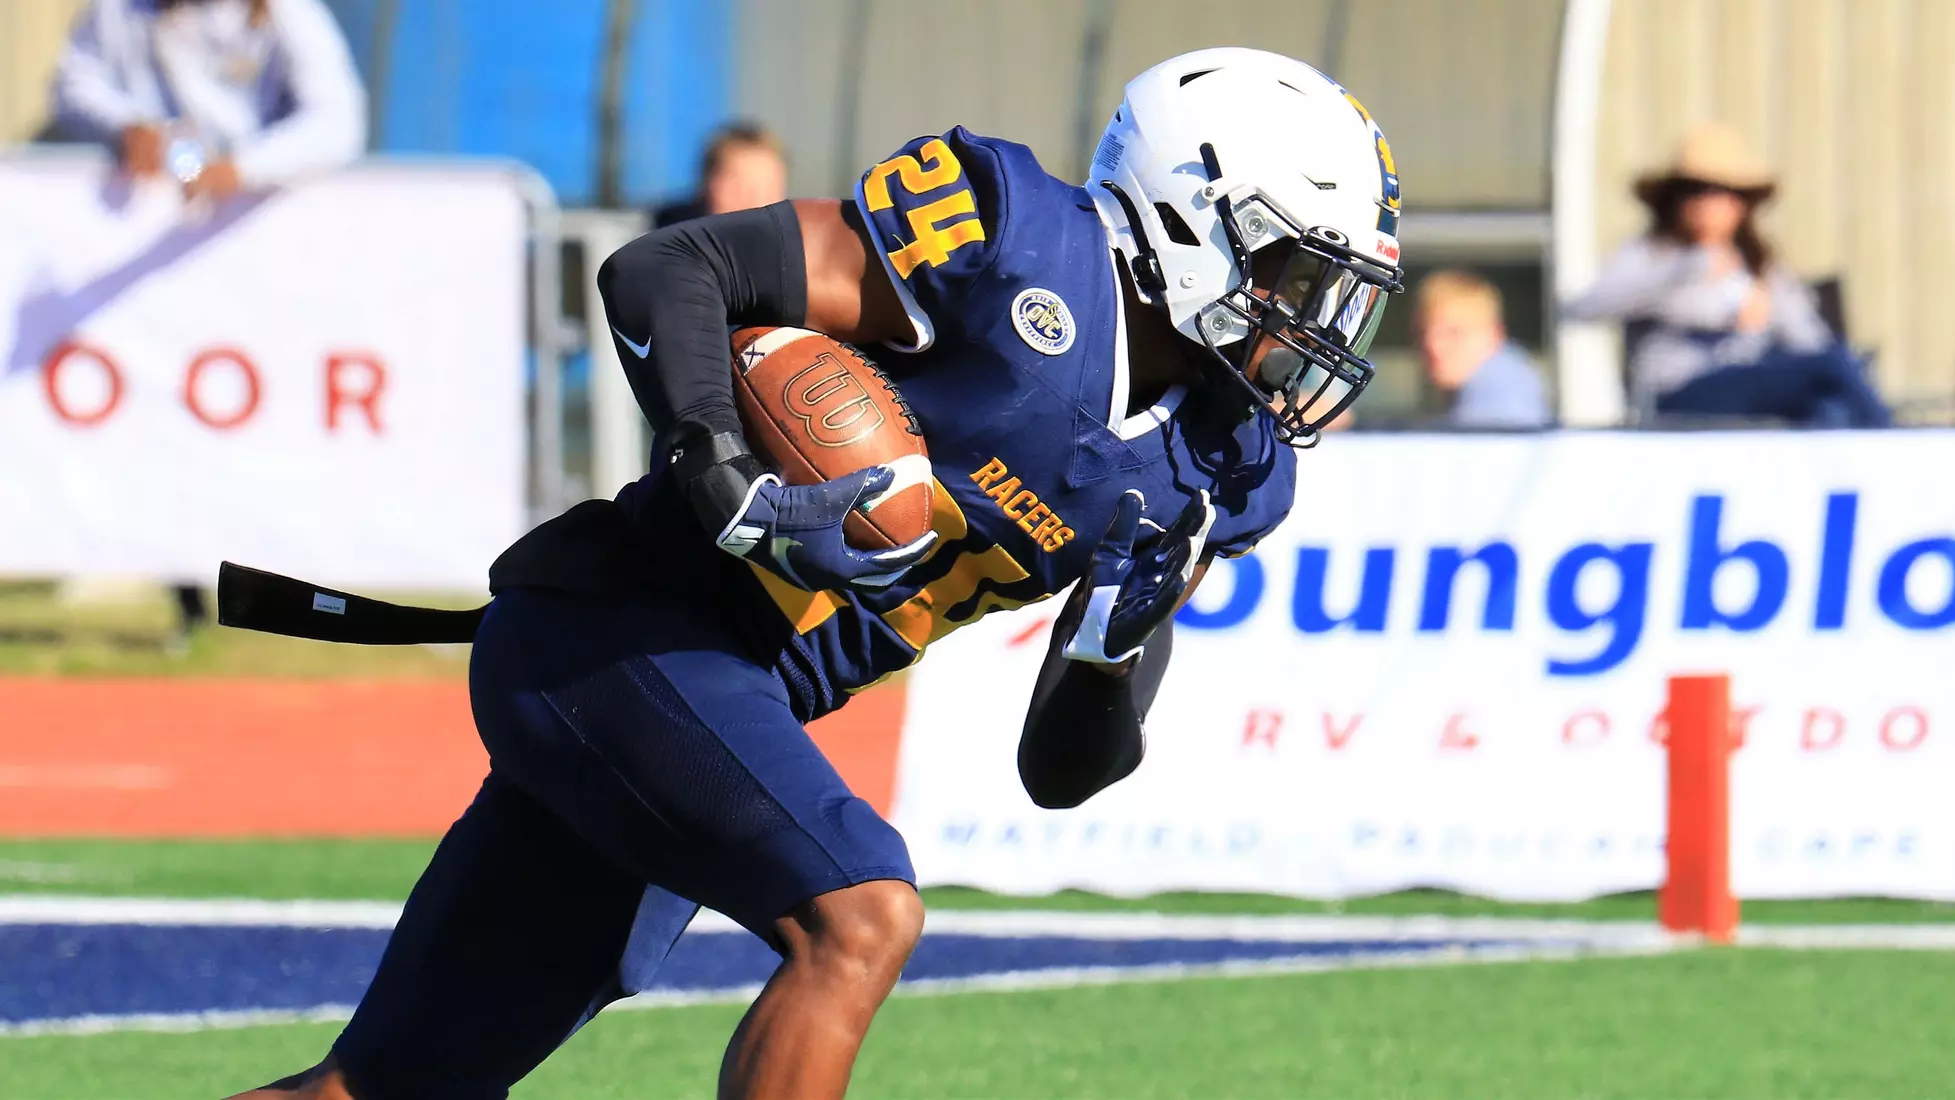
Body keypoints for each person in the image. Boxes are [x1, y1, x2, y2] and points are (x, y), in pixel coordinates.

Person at [229, 47, 1404, 1100]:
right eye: (1296, 275)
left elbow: (1060, 769)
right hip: (621, 630)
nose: (1309, 325)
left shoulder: (1220, 465)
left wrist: (1105, 654)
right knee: (861, 914)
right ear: (1188, 216)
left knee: (383, 1091)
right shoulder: (1011, 245)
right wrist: (727, 474)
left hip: (710, 700)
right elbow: (667, 272)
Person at [49, 0, 366, 641]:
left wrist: (241, 171)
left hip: (258, 262)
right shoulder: (117, 11)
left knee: (262, 426)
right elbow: (70, 86)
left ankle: (277, 591)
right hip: (146, 267)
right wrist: (125, 127)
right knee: (156, 421)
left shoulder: (285, 13)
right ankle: (186, 592)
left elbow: (338, 122)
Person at [1563, 123, 1888, 426]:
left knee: (1830, 407)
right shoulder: (1652, 255)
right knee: (1830, 368)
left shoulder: (1760, 264)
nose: (1707, 202)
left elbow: (1810, 341)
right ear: (1674, 199)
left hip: (1754, 379)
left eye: (1721, 192)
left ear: (1742, 203)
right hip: (1680, 391)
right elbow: (1583, 309)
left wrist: (1767, 319)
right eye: (1694, 190)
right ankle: (1897, 443)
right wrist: (1685, 275)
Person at [1414, 269, 1550, 428]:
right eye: (1422, 332)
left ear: (1495, 334)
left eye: (1453, 332)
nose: (1433, 345)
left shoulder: (1501, 407)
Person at [652, 122, 790, 229]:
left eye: (768, 189)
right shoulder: (651, 244)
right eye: (738, 186)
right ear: (706, 182)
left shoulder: (800, 255)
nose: (754, 200)